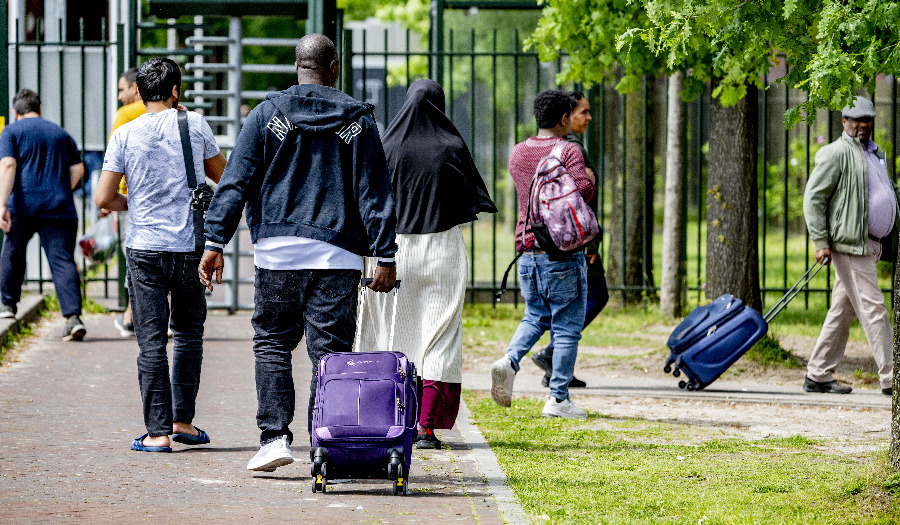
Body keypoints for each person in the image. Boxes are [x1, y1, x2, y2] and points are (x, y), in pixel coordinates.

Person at [199, 34, 398, 472]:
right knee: (330, 355)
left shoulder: (266, 116)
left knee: (272, 344)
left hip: (277, 253)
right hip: (338, 255)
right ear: (334, 67)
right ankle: (325, 446)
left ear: (297, 66)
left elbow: (237, 181)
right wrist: (385, 254)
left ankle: (274, 439)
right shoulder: (359, 122)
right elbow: (374, 194)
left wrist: (215, 242)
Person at [95, 57, 227, 452]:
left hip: (143, 249)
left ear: (137, 91)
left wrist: (131, 204)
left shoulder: (125, 133)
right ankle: (183, 421)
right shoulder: (195, 124)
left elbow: (103, 196)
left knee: (150, 342)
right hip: (189, 247)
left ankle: (156, 434)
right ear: (175, 91)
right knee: (188, 333)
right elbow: (224, 176)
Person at [359, 79, 497, 449]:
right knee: (439, 335)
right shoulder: (451, 146)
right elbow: (470, 201)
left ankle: (387, 419)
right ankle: (425, 428)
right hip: (441, 250)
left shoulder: (387, 145)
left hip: (393, 253)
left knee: (391, 333)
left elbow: (369, 200)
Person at [489, 90, 595, 419]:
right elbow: (583, 193)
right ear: (564, 119)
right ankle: (558, 399)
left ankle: (509, 361)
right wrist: (589, 178)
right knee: (566, 326)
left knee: (534, 316)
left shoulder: (518, 153)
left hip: (526, 250)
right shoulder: (570, 151)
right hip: (562, 252)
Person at [802, 96, 898, 396]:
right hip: (850, 245)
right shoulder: (835, 153)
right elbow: (813, 198)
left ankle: (818, 375)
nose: (862, 125)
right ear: (844, 122)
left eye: (867, 120)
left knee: (843, 311)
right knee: (874, 309)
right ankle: (892, 377)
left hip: (871, 244)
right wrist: (820, 241)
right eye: (856, 120)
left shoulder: (874, 154)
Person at [530, 91, 608, 389]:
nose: (588, 117)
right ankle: (553, 355)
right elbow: (577, 200)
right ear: (566, 116)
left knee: (569, 302)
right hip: (577, 238)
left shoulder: (559, 147)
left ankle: (557, 366)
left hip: (562, 237)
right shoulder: (571, 149)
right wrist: (589, 245)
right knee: (593, 297)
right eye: (583, 112)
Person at [0, 89, 87, 341]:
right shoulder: (61, 134)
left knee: (13, 252)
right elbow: (78, 169)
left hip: (23, 206)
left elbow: (8, 165)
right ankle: (73, 318)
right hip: (59, 208)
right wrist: (59, 189)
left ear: (16, 112)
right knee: (62, 260)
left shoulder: (11, 132)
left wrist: (2, 204)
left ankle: (7, 305)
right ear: (40, 108)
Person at [108, 67, 145, 338]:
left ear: (136, 88)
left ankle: (132, 315)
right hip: (170, 199)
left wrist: (108, 201)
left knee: (135, 258)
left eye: (122, 89)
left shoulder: (126, 115)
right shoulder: (179, 113)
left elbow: (115, 161)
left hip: (131, 199)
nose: (120, 96)